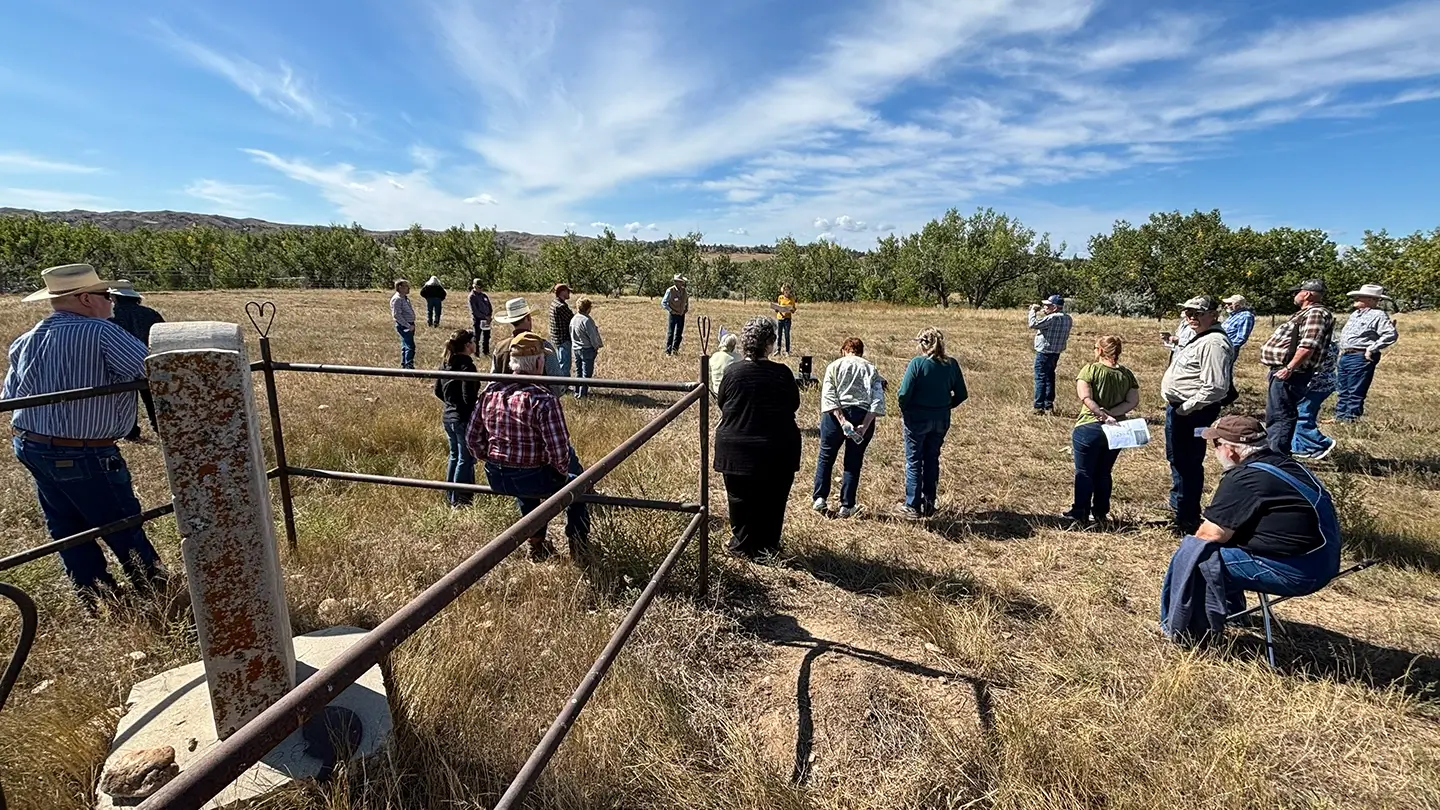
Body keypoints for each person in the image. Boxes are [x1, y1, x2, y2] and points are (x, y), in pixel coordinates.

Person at [5, 264, 168, 606]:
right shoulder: (102, 332)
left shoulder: (27, 338)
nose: (112, 301)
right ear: (85, 298)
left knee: (66, 526)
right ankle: (157, 590)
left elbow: (9, 396)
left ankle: (96, 595)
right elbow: (155, 372)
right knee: (121, 522)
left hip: (31, 444)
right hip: (83, 450)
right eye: (106, 295)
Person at [1159, 415, 1341, 642]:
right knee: (1222, 545)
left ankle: (1185, 632)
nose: (1214, 450)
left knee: (1196, 555)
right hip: (1325, 561)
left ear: (1230, 450)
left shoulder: (1245, 478)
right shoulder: (1285, 464)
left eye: (1216, 444)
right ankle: (1232, 614)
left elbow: (1209, 534)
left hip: (1299, 571)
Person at [466, 332, 590, 562]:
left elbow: (472, 439)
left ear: (513, 363)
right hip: (531, 476)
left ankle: (536, 544)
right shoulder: (543, 399)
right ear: (539, 363)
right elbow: (559, 450)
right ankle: (578, 545)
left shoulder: (491, 392)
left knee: (526, 490)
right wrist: (561, 472)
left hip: (496, 475)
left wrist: (492, 458)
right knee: (578, 486)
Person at [714, 318, 801, 559]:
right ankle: (767, 546)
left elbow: (722, 402)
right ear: (770, 343)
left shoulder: (733, 372)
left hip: (736, 447)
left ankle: (742, 544)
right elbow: (794, 404)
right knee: (773, 499)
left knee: (740, 499)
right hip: (778, 449)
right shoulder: (782, 373)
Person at [1160, 295, 1235, 535]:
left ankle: (1187, 518)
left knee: (1188, 462)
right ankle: (1179, 508)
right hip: (1182, 409)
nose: (1191, 317)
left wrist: (1186, 408)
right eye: (1188, 312)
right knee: (1178, 459)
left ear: (1213, 314)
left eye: (1197, 313)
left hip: (1193, 412)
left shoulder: (1214, 343)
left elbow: (1216, 387)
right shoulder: (1200, 336)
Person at [1065, 336, 1140, 525]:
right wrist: (1113, 414)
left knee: (1084, 471)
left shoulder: (1090, 369)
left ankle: (1080, 511)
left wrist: (1101, 414)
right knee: (1104, 472)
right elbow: (1133, 401)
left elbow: (1085, 397)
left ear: (1099, 350)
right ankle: (1100, 512)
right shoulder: (1127, 374)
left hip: (1089, 426)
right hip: (1116, 429)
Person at [895, 328, 968, 519]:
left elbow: (903, 393)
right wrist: (945, 406)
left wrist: (906, 408)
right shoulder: (951, 364)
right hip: (941, 419)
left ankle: (912, 505)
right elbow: (962, 394)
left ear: (922, 343)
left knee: (914, 460)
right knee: (932, 459)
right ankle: (929, 502)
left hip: (917, 418)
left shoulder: (917, 363)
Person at [1259, 279, 1335, 456]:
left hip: (1291, 372)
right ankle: (1276, 452)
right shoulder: (1306, 313)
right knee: (1276, 412)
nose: (1294, 295)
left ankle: (1277, 456)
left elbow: (1308, 345)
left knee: (1281, 414)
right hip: (1284, 370)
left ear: (1306, 294)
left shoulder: (1315, 313)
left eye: (1297, 292)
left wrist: (1290, 368)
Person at [811, 337, 885, 519]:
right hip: (861, 414)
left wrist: (842, 420)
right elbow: (877, 400)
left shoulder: (834, 366)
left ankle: (820, 498)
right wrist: (865, 425)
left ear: (844, 350)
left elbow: (829, 395)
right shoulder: (870, 368)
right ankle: (847, 505)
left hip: (834, 417)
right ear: (861, 352)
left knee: (826, 456)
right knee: (853, 461)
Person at [107, 280, 163, 441]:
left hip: (121, 363)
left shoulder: (110, 316)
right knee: (152, 399)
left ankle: (130, 432)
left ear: (114, 297)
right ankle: (160, 429)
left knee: (125, 400)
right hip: (149, 362)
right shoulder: (150, 313)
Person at [1335, 284, 1398, 422]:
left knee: (1355, 390)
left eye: (1360, 296)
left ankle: (1350, 419)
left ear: (1371, 299)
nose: (1356, 298)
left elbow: (1390, 334)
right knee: (1343, 389)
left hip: (1360, 355)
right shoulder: (1355, 314)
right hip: (1346, 355)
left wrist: (1371, 349)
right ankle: (1340, 417)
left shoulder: (1378, 315)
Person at [435, 330, 480, 507]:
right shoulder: (467, 366)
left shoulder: (446, 363)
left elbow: (438, 391)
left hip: (448, 416)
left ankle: (451, 495)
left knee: (455, 456)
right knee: (465, 458)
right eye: (473, 341)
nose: (475, 344)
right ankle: (460, 500)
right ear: (468, 345)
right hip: (462, 418)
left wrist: (451, 403)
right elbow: (468, 396)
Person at [1292, 341, 1338, 461]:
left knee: (1301, 416)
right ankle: (1300, 448)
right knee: (1306, 414)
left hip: (1314, 386)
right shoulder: (1330, 342)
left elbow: (1309, 365)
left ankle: (1320, 444)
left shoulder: (1316, 345)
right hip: (1322, 385)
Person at [1026, 294, 1072, 414]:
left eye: (1048, 305)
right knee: (1050, 377)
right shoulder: (1068, 318)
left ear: (1055, 307)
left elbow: (1033, 324)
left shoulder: (1052, 318)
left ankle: (1038, 406)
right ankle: (1048, 405)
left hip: (1044, 352)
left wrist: (1032, 311)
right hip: (1056, 352)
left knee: (1040, 377)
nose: (1045, 307)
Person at [569, 297, 604, 399]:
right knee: (586, 374)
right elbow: (592, 336)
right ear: (588, 308)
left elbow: (571, 333)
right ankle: (583, 395)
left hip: (576, 348)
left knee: (578, 372)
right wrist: (596, 347)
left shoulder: (574, 319)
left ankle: (577, 392)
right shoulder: (587, 320)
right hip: (587, 349)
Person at [548, 283, 575, 378]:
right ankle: (564, 384)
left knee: (560, 362)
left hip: (557, 339)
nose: (569, 293)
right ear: (562, 292)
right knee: (564, 365)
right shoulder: (561, 306)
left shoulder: (554, 303)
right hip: (563, 339)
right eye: (568, 291)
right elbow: (573, 320)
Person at [390, 279, 417, 369]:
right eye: (406, 286)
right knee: (410, 346)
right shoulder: (397, 299)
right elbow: (397, 315)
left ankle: (405, 364)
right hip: (405, 326)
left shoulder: (404, 298)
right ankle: (409, 365)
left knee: (406, 345)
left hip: (409, 324)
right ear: (400, 287)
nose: (408, 288)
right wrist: (408, 326)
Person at [661, 275, 689, 355]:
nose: (681, 283)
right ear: (675, 282)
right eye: (679, 282)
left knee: (679, 333)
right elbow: (663, 303)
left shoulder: (684, 291)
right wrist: (671, 310)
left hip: (681, 314)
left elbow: (686, 301)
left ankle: (675, 350)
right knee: (671, 333)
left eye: (681, 282)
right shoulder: (670, 290)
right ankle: (668, 351)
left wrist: (686, 308)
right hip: (673, 315)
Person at [708, 332, 740, 396]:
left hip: (716, 390)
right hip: (732, 391)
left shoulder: (714, 356)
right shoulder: (738, 357)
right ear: (734, 345)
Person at [469, 279, 493, 356]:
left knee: (487, 336)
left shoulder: (484, 296)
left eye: (482, 287)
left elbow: (489, 306)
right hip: (478, 320)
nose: (481, 289)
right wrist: (484, 317)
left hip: (487, 320)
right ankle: (476, 353)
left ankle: (486, 352)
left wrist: (489, 315)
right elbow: (474, 311)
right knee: (477, 337)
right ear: (475, 286)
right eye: (479, 287)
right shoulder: (472, 296)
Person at [773, 283, 797, 356]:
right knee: (779, 335)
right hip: (780, 318)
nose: (786, 291)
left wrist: (792, 309)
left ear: (790, 290)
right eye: (785, 290)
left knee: (787, 335)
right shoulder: (780, 297)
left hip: (787, 319)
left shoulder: (791, 298)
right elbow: (778, 306)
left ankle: (787, 351)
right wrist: (777, 309)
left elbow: (794, 309)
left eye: (787, 290)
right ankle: (778, 350)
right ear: (782, 290)